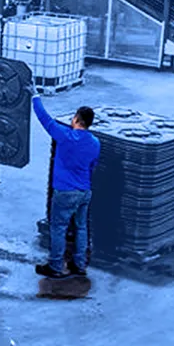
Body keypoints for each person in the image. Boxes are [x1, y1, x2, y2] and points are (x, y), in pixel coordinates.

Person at [31, 92, 100, 278]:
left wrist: (35, 97)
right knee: (82, 227)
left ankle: (55, 266)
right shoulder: (95, 143)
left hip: (65, 192)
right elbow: (93, 166)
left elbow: (45, 119)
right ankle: (79, 265)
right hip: (85, 191)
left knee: (58, 228)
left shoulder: (65, 136)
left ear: (77, 119)